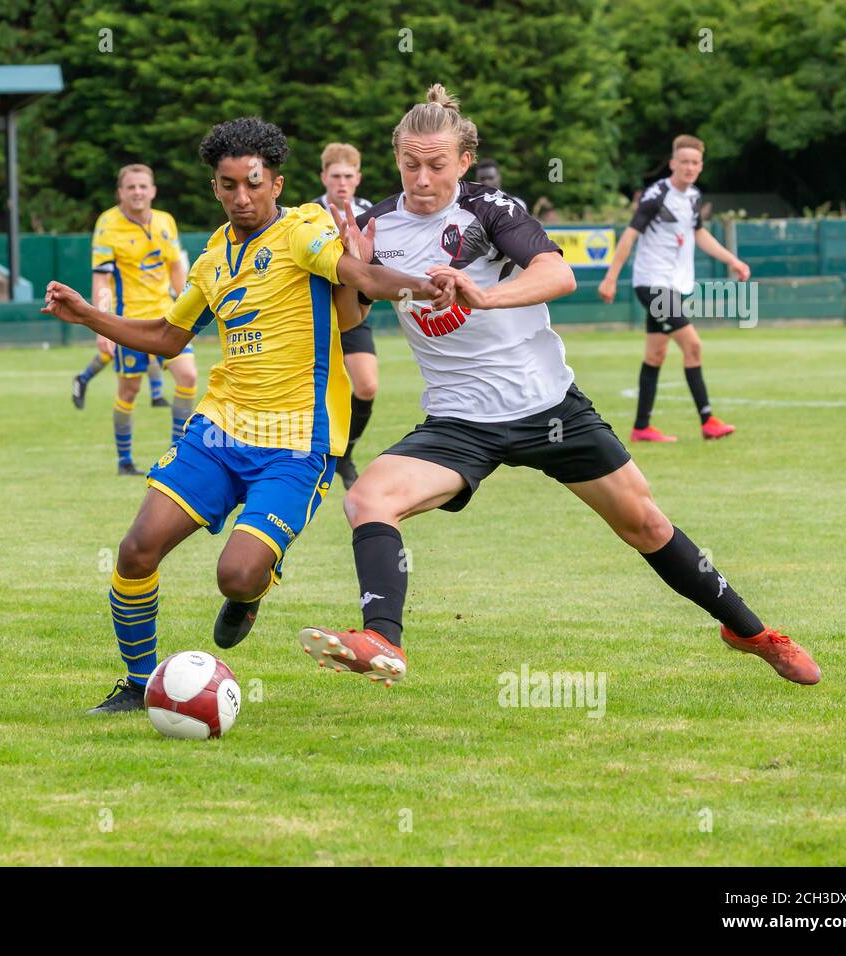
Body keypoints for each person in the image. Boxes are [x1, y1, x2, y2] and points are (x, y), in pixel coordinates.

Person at [300, 86, 819, 689]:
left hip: (547, 406)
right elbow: (348, 321)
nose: (421, 177)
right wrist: (352, 270)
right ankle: (381, 640)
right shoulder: (374, 225)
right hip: (459, 422)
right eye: (410, 163)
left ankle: (751, 632)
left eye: (436, 164)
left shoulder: (491, 209)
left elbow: (559, 272)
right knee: (367, 498)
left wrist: (485, 293)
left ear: (463, 161)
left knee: (646, 525)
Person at [42, 117, 452, 714]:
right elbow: (166, 334)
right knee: (136, 550)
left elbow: (360, 276)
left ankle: (250, 589)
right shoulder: (212, 257)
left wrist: (424, 286)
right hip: (219, 430)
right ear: (215, 188)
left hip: (295, 445)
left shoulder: (303, 230)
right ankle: (137, 684)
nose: (242, 197)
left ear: (277, 183)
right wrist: (89, 317)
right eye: (228, 185)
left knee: (235, 575)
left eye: (253, 183)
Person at [597, 135, 749, 442]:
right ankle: (708, 421)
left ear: (700, 166)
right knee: (693, 346)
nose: (690, 167)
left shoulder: (692, 197)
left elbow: (699, 235)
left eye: (695, 163)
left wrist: (733, 260)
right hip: (653, 284)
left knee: (656, 354)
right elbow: (629, 237)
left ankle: (641, 428)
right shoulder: (657, 195)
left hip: (672, 285)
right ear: (673, 164)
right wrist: (611, 277)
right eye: (685, 162)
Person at [74, 164, 197, 474]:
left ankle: (176, 456)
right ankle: (124, 461)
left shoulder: (166, 222)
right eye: (131, 187)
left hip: (169, 319)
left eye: (143, 186)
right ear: (121, 193)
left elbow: (176, 269)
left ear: (153, 190)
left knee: (189, 377)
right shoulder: (107, 225)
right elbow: (101, 280)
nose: (138, 192)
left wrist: (189, 308)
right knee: (129, 391)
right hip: (129, 324)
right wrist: (101, 323)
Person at [313, 142, 377, 489]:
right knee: (317, 392)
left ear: (358, 178)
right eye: (335, 175)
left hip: (352, 315)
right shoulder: (308, 214)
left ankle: (345, 453)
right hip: (317, 318)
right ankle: (314, 457)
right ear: (324, 177)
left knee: (366, 385)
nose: (342, 182)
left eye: (348, 176)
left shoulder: (369, 214)